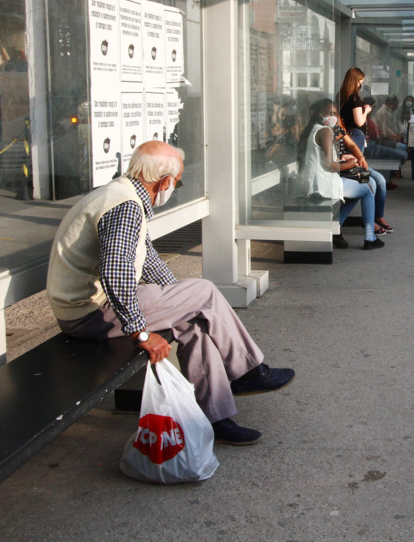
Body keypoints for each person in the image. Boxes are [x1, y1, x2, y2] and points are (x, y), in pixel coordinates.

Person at [47, 141, 295, 446]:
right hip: (91, 314)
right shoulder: (125, 206)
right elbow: (116, 273)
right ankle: (247, 372)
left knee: (194, 321)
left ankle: (216, 416)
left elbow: (147, 259)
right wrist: (139, 333)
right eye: (176, 183)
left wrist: (179, 298)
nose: (172, 188)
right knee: (203, 290)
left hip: (91, 309)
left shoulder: (122, 195)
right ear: (165, 181)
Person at [295, 98, 385, 249]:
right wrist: (348, 164)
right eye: (329, 113)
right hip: (324, 183)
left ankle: (336, 225)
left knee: (359, 190)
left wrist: (345, 158)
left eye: (335, 114)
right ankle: (370, 237)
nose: (333, 117)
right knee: (367, 190)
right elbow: (328, 165)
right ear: (319, 114)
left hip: (317, 181)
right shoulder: (325, 131)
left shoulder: (315, 129)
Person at [338, 67, 372, 152]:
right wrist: (366, 112)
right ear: (355, 81)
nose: (360, 85)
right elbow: (359, 122)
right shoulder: (354, 98)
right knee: (357, 160)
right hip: (356, 134)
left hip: (347, 133)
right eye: (360, 82)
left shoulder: (341, 97)